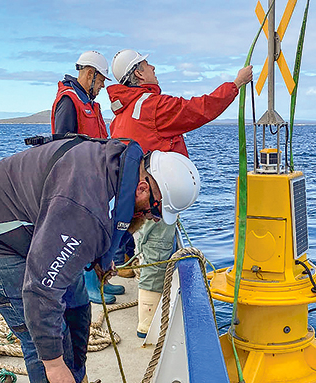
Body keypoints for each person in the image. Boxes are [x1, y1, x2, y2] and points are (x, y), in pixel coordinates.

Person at [0, 135, 200, 383]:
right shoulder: (84, 212)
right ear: (143, 188)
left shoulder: (122, 165)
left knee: (78, 308)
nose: (151, 218)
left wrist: (102, 260)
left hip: (40, 228)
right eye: (153, 211)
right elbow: (40, 291)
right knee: (45, 339)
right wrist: (54, 364)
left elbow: (115, 215)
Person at [106, 49, 252, 337]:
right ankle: (148, 327)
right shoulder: (152, 105)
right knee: (157, 252)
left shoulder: (122, 113)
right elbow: (199, 109)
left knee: (149, 248)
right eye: (148, 65)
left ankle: (155, 311)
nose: (154, 67)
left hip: (133, 197)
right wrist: (235, 85)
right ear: (138, 73)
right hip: (156, 197)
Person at [51, 50, 126, 304]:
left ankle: (100, 280)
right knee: (83, 233)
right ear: (90, 74)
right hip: (78, 181)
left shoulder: (90, 104)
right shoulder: (69, 101)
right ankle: (87, 283)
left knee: (99, 230)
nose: (103, 86)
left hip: (96, 179)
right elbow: (61, 143)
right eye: (102, 80)